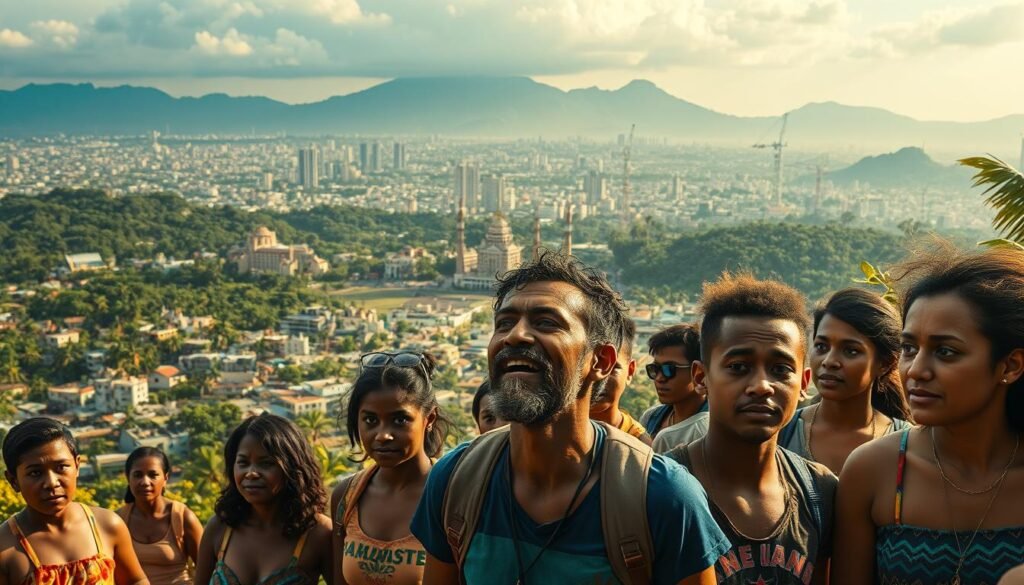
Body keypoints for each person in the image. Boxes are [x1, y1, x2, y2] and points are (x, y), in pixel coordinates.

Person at [412, 251, 729, 585]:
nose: (515, 335)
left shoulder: (663, 498)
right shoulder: (456, 481)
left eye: (546, 322)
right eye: (504, 323)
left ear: (601, 361)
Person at [834, 245, 1024, 584]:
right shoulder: (873, 471)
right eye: (909, 348)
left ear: (1009, 365)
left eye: (946, 351)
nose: (916, 371)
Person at [663, 273, 837, 584]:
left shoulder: (820, 493)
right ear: (701, 377)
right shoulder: (662, 490)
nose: (761, 386)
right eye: (738, 367)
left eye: (780, 369)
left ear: (804, 384)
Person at [331, 350, 450, 585]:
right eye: (370, 420)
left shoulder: (450, 497)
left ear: (430, 419)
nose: (383, 435)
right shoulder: (346, 497)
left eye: (400, 420)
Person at [778, 288, 913, 474]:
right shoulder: (781, 432)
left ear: (885, 364)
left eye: (851, 350)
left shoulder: (907, 445)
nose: (829, 361)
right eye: (821, 346)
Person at [0, 417, 149, 585]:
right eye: (35, 473)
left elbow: (136, 580)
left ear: (77, 466)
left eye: (61, 467)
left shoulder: (107, 525)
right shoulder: (5, 549)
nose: (51, 483)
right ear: (13, 481)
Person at [193, 414, 332, 585]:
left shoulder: (319, 533)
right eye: (243, 463)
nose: (251, 473)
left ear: (292, 468)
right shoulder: (220, 527)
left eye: (266, 463)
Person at [117, 448, 204, 585]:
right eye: (138, 475)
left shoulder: (182, 517)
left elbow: (207, 569)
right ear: (128, 478)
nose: (145, 482)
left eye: (153, 475)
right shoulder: (118, 520)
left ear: (165, 478)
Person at [641, 323, 709, 451]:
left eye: (669, 369)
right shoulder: (651, 417)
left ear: (698, 372)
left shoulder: (706, 430)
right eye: (655, 369)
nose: (659, 378)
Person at [589, 318, 653, 445]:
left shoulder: (639, 444)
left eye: (613, 368)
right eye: (592, 365)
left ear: (630, 371)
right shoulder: (548, 431)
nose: (599, 377)